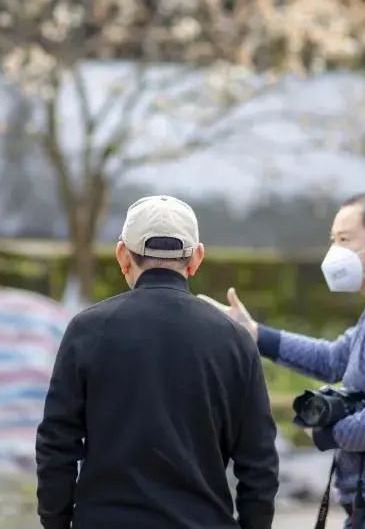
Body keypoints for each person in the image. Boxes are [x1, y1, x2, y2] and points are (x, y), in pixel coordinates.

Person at [201, 193, 365, 529]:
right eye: (332, 240)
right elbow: (333, 358)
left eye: (344, 240)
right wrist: (255, 334)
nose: (334, 252)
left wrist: (328, 432)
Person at [36, 195, 279, 529]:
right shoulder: (235, 340)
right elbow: (259, 463)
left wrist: (56, 520)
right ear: (196, 258)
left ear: (123, 255)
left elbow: (57, 443)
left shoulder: (88, 329)